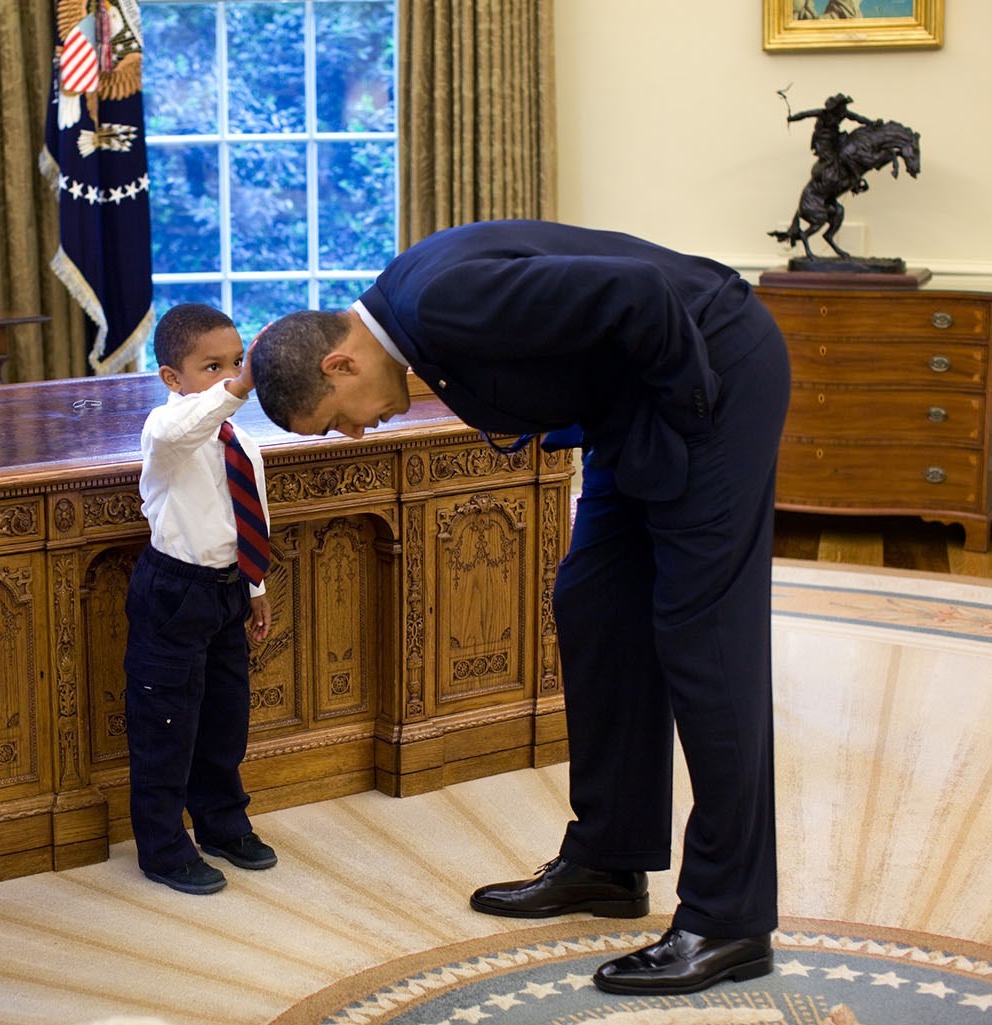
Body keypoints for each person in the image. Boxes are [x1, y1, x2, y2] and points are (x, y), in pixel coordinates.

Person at [249, 219, 790, 995]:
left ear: (340, 361)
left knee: (706, 640)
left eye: (337, 416)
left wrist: (690, 421)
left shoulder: (440, 302)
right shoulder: (412, 314)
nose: (355, 429)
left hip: (710, 374)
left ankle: (730, 919)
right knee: (595, 605)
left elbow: (641, 293)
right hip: (638, 401)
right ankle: (609, 859)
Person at [125, 303, 278, 895]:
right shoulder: (166, 433)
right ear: (172, 378)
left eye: (235, 362)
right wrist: (239, 386)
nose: (227, 375)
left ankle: (222, 823)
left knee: (224, 717)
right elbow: (183, 426)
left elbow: (249, 513)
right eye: (210, 366)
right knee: (166, 722)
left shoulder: (239, 439)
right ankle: (163, 847)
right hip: (173, 591)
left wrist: (255, 586)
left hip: (227, 591)